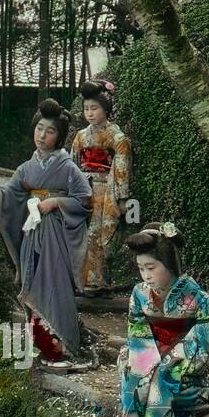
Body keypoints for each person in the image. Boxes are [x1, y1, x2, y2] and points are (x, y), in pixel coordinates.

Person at [0, 99, 92, 363]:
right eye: (39, 128)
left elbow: (85, 200)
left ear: (59, 137)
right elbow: (9, 194)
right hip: (31, 234)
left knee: (55, 284)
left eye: (50, 131)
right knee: (33, 281)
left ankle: (63, 347)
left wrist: (56, 202)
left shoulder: (68, 167)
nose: (42, 135)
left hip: (56, 235)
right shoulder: (26, 167)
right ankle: (42, 346)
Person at [119, 222, 209, 417]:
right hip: (153, 356)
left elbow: (204, 346)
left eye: (151, 267)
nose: (145, 275)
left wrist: (165, 362)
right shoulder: (139, 293)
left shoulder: (197, 298)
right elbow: (137, 334)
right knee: (128, 360)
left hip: (189, 367)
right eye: (141, 268)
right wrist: (147, 364)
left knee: (168, 370)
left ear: (169, 265)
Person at [70, 79, 132, 292]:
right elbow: (73, 164)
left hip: (106, 189)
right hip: (82, 188)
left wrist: (122, 198)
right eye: (86, 108)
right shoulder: (80, 136)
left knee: (98, 234)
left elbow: (122, 168)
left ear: (106, 109)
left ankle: (99, 281)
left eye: (94, 108)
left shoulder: (118, 137)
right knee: (81, 233)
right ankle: (81, 279)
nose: (89, 113)